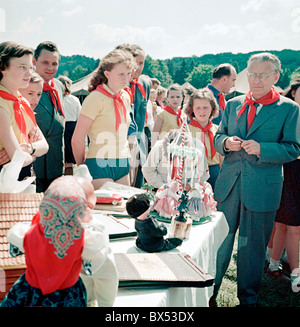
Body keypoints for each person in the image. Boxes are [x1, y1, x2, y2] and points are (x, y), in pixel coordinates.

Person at [210, 52, 300, 307]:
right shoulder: (233, 104)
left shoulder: (289, 109)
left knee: (252, 249)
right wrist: (226, 142)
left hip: (263, 189)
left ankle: (248, 299)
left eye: (263, 75)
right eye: (252, 75)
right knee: (220, 242)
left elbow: (293, 148)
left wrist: (263, 149)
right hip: (228, 186)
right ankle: (209, 292)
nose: (256, 80)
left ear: (276, 77)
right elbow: (219, 137)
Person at [0, 175, 118, 307]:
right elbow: (105, 275)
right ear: (85, 209)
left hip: (29, 291)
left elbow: (15, 237)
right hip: (68, 296)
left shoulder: (29, 231)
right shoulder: (90, 237)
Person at [72, 49, 135, 190]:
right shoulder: (94, 99)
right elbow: (77, 138)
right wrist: (82, 166)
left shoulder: (125, 96)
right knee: (105, 211)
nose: (126, 78)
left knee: (124, 210)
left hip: (123, 164)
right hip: (99, 164)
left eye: (128, 73)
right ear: (107, 74)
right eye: (121, 74)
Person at [266, 75, 300, 286]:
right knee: (286, 223)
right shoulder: (286, 111)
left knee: (287, 224)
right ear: (294, 92)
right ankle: (293, 272)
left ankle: (273, 263)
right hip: (288, 170)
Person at [0, 41, 48, 180]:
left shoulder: (22, 102)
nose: (29, 73)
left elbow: (44, 146)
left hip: (23, 176)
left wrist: (27, 149)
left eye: (31, 68)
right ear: (2, 67)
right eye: (22, 67)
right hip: (5, 179)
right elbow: (17, 159)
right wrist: (33, 153)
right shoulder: (2, 106)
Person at [115, 43, 150, 188]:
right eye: (134, 63)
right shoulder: (115, 83)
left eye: (141, 63)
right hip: (117, 143)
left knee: (137, 184)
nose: (137, 67)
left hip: (138, 141)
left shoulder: (145, 84)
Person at [32, 41, 65, 192]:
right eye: (45, 62)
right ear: (34, 61)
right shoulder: (25, 85)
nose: (50, 68)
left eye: (54, 63)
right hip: (33, 166)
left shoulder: (59, 86)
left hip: (56, 164)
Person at [142, 129, 209, 189]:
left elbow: (203, 172)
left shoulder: (197, 148)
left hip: (188, 190)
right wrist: (163, 186)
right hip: (162, 190)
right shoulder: (159, 148)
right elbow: (148, 170)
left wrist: (190, 185)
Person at [186, 88, 223, 189]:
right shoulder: (186, 131)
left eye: (206, 107)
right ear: (192, 109)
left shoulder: (218, 130)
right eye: (198, 107)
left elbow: (221, 158)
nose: (202, 111)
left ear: (212, 108)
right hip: (194, 175)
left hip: (215, 173)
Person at [58, 75, 81, 175]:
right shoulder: (74, 99)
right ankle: (69, 179)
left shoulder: (58, 99)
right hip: (72, 127)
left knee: (62, 156)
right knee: (69, 160)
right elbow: (79, 116)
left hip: (61, 127)